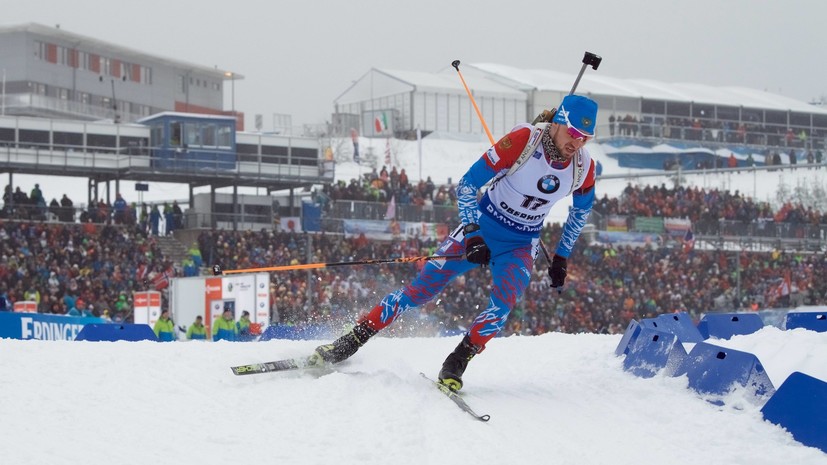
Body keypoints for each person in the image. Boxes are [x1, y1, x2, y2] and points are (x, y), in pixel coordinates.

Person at [309, 94, 599, 391]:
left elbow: (580, 213)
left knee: (502, 305)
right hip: (483, 226)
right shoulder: (524, 140)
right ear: (559, 122)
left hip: (521, 243)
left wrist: (562, 257)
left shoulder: (584, 167)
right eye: (574, 133)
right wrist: (473, 234)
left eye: (585, 138)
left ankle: (458, 360)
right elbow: (468, 184)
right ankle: (352, 340)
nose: (577, 143)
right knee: (420, 290)